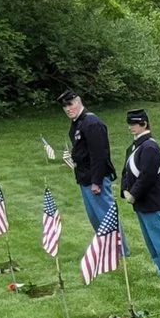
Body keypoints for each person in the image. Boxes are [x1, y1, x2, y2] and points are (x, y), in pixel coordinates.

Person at [120, 108, 160, 275]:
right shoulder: (134, 147)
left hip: (152, 199)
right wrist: (125, 189)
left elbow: (147, 176)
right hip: (140, 201)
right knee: (150, 239)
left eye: (134, 123)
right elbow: (126, 171)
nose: (131, 127)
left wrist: (134, 194)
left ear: (144, 124)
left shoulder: (150, 147)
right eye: (129, 124)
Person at [61, 90, 117, 235]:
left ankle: (117, 249)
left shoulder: (92, 123)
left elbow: (99, 155)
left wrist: (96, 181)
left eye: (70, 104)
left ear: (78, 102)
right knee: (95, 218)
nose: (68, 109)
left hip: (95, 179)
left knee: (106, 217)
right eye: (65, 106)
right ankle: (103, 248)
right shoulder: (78, 123)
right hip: (84, 177)